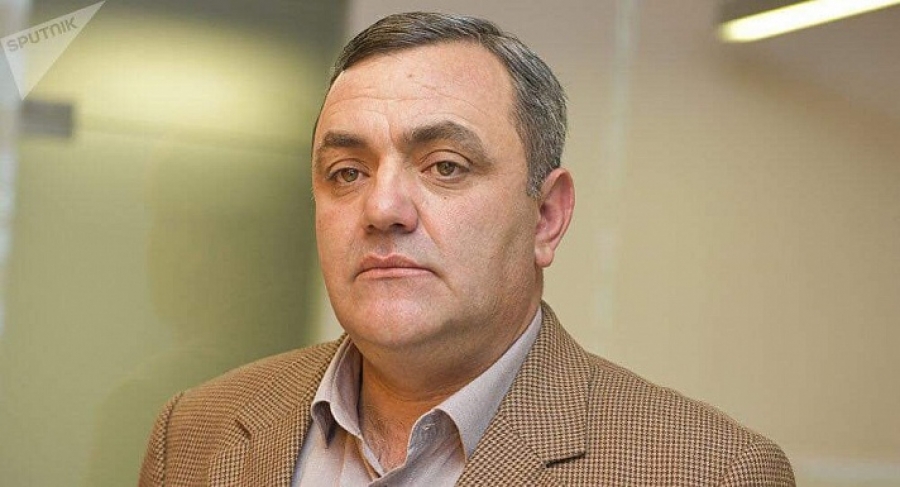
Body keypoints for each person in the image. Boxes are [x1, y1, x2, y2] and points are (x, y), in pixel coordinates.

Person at [139, 12, 794, 486]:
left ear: (547, 217)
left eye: (445, 167)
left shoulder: (705, 470)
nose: (382, 209)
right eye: (347, 172)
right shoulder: (195, 433)